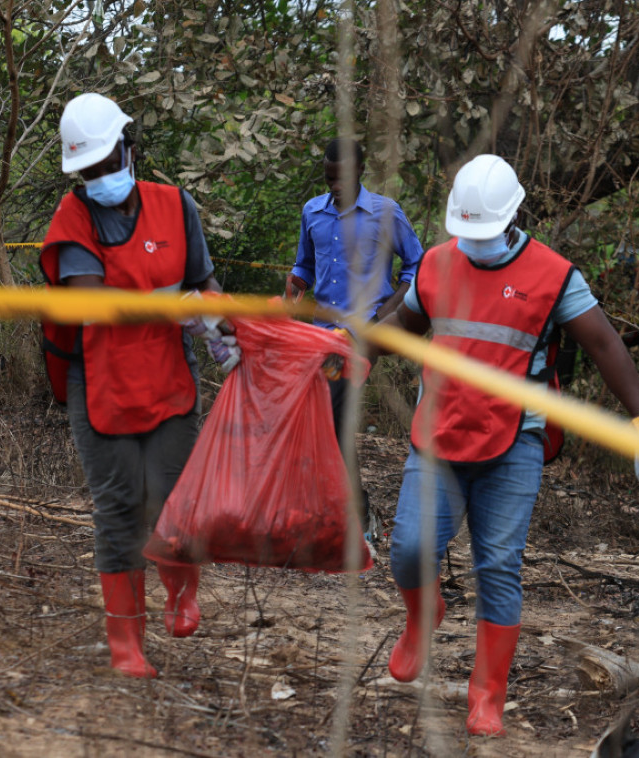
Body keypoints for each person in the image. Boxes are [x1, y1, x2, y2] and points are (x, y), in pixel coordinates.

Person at [377, 154, 639, 736]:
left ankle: (486, 694)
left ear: (513, 218)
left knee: (498, 567)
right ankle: (422, 617)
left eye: (485, 234)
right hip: (437, 435)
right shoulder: (436, 265)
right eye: (468, 234)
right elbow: (400, 325)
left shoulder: (555, 275)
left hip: (514, 443)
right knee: (410, 549)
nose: (476, 245)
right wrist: (353, 346)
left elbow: (606, 345)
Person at [39, 93, 240, 679]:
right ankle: (126, 643)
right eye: (90, 171)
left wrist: (225, 320)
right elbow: (90, 303)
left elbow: (204, 282)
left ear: (130, 148)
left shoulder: (176, 207)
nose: (103, 178)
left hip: (169, 379)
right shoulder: (72, 221)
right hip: (101, 382)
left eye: (109, 162)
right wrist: (171, 305)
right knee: (120, 510)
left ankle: (183, 592)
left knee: (171, 500)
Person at [286, 137, 424, 539]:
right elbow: (304, 266)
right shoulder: (313, 212)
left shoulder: (385, 213)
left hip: (362, 335)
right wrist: (295, 285)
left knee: (331, 418)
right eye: (329, 179)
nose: (335, 187)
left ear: (360, 171)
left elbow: (416, 265)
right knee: (320, 421)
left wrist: (386, 313)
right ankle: (336, 513)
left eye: (341, 178)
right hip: (320, 334)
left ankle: (354, 520)